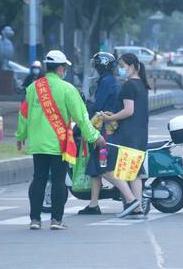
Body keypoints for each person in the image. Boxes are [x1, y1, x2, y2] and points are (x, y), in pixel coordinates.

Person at [16, 50, 106, 230]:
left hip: (38, 143)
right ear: (59, 69)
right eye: (64, 68)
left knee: (39, 179)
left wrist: (20, 136)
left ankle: (35, 219)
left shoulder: (33, 88)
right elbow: (82, 117)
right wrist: (95, 136)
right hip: (60, 143)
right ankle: (56, 220)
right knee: (58, 180)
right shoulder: (68, 89)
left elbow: (23, 114)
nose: (65, 71)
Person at [101, 53, 151, 219]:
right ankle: (137, 210)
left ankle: (131, 201)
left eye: (122, 66)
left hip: (128, 134)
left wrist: (110, 118)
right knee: (135, 172)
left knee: (107, 169)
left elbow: (129, 111)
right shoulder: (142, 84)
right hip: (141, 134)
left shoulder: (129, 85)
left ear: (132, 66)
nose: (120, 69)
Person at [78, 52, 123, 215]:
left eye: (96, 66)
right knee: (95, 167)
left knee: (101, 166)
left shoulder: (106, 83)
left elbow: (98, 106)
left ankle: (129, 196)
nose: (95, 69)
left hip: (105, 130)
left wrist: (84, 110)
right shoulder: (110, 81)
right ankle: (93, 204)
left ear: (101, 66)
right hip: (104, 127)